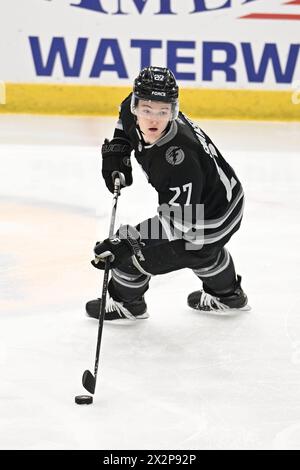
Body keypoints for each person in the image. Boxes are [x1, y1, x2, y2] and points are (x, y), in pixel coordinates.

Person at [86, 66, 249, 321]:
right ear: (135, 106)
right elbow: (123, 124)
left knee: (131, 252)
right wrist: (118, 151)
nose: (153, 119)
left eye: (163, 112)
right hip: (227, 202)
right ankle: (228, 295)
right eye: (146, 110)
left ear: (173, 110)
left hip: (210, 220)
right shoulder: (130, 108)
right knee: (201, 248)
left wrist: (128, 242)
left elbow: (181, 223)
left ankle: (126, 303)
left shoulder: (177, 158)